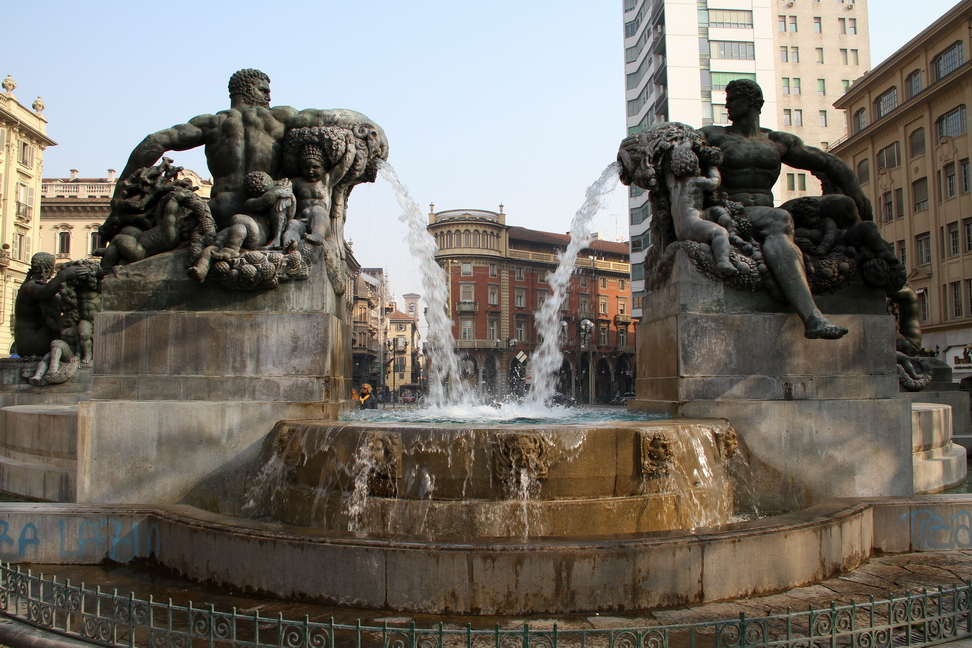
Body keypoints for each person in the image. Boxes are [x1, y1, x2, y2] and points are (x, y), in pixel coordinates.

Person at [105, 69, 387, 237]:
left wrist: (122, 192)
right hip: (266, 212)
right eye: (264, 89)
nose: (268, 96)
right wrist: (372, 129)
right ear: (248, 89)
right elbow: (328, 116)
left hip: (220, 211)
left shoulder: (211, 123)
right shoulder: (279, 118)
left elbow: (153, 142)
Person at [698, 79, 872, 339]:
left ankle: (873, 283)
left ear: (752, 102)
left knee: (844, 205)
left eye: (733, 98)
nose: (727, 104)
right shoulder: (714, 136)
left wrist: (857, 193)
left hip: (768, 208)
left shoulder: (777, 141)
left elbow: (828, 162)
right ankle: (812, 318)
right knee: (779, 218)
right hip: (732, 210)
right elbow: (680, 146)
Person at [14, 253, 88, 357]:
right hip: (30, 344)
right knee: (72, 328)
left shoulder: (34, 286)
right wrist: (64, 275)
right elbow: (46, 291)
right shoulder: (29, 288)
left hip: (34, 340)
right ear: (48, 268)